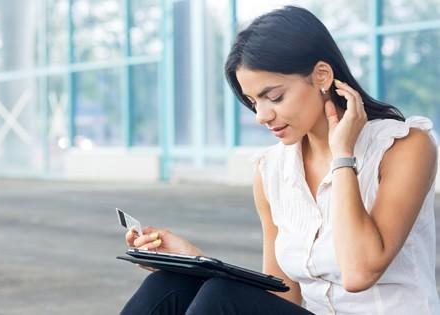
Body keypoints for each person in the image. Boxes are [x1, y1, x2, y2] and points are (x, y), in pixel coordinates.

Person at [119, 5, 439, 315]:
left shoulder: (404, 146)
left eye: (274, 97)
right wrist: (195, 260)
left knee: (220, 296)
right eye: (252, 101)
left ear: (322, 76)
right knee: (170, 284)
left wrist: (343, 156)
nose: (261, 115)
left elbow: (359, 272)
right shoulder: (272, 169)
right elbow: (280, 295)